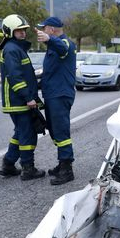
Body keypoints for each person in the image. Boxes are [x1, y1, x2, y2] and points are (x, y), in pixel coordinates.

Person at [0, 14, 46, 180]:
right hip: (18, 101)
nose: (23, 33)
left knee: (20, 133)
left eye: (23, 30)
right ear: (10, 32)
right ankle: (28, 168)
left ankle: (8, 164)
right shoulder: (12, 49)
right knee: (27, 134)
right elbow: (15, 77)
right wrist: (28, 97)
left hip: (20, 100)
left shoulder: (16, 48)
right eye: (19, 31)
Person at [35, 16, 77, 185]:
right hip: (52, 94)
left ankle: (67, 169)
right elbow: (51, 71)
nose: (42, 32)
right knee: (54, 130)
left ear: (51, 30)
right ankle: (62, 163)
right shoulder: (53, 46)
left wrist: (49, 39)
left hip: (60, 95)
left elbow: (62, 48)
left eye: (44, 29)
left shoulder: (64, 43)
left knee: (61, 132)